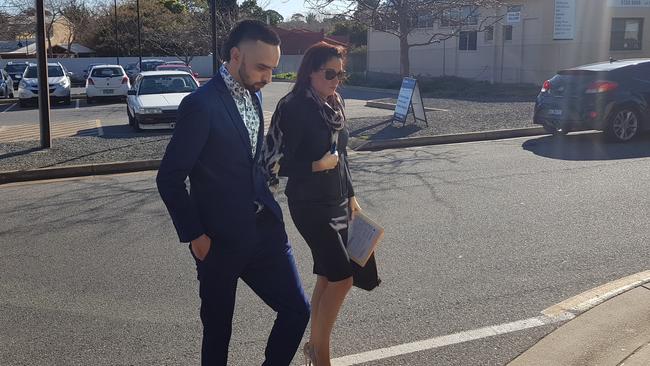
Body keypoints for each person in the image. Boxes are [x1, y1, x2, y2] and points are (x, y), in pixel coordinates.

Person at [156, 20, 310, 366]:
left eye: (272, 68)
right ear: (236, 56)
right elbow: (169, 177)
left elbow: (250, 159)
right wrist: (195, 235)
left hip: (264, 232)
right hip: (218, 242)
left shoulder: (254, 95)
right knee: (218, 332)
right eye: (261, 67)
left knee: (297, 310)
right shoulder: (201, 105)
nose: (268, 77)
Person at [262, 41, 360, 366]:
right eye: (330, 73)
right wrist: (314, 166)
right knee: (343, 278)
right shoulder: (294, 106)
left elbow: (341, 155)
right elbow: (274, 162)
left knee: (327, 277)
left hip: (335, 200)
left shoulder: (334, 102)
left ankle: (315, 348)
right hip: (308, 203)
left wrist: (352, 197)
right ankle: (320, 354)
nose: (336, 80)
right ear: (311, 72)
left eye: (340, 74)